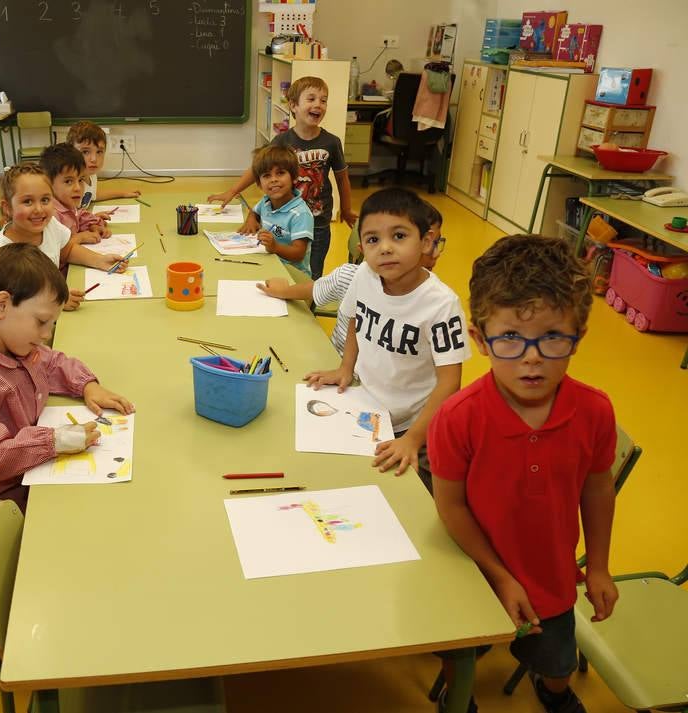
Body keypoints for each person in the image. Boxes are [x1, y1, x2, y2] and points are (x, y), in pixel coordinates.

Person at [428, 234, 618, 713]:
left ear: (578, 337)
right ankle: (458, 695)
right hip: (472, 571)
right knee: (461, 655)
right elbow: (450, 506)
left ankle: (553, 691)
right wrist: (499, 576)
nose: (532, 357)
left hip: (551, 578)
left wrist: (598, 565)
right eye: (510, 337)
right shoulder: (456, 418)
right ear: (480, 339)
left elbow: (598, 488)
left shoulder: (595, 412)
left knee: (556, 661)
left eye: (552, 337)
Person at [0, 243, 135, 558]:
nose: (46, 334)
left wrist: (87, 385)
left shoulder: (13, 343)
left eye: (51, 324)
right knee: (93, 542)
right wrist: (54, 442)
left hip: (27, 481)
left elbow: (52, 363)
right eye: (41, 322)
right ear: (2, 305)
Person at [304, 187, 467, 479]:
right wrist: (345, 368)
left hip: (415, 427)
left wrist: (413, 439)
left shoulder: (442, 304)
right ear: (361, 247)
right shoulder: (364, 275)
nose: (385, 248)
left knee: (411, 491)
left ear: (426, 241)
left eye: (399, 236)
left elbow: (450, 382)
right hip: (367, 409)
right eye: (373, 239)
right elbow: (355, 318)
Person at [208, 76, 356, 279]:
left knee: (310, 275)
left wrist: (346, 210)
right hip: (285, 221)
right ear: (293, 106)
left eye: (323, 100)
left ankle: (307, 299)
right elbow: (259, 167)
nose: (318, 105)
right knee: (281, 265)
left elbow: (342, 178)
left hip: (318, 222)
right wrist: (233, 191)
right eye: (311, 99)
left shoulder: (331, 142)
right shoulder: (282, 140)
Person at [257, 201, 446, 356]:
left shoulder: (435, 302)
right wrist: (283, 291)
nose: (435, 253)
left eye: (435, 242)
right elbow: (315, 289)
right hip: (338, 368)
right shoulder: (351, 276)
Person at [0, 164, 127, 311]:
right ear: (7, 208)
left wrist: (99, 260)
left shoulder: (50, 225)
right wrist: (54, 301)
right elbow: (4, 306)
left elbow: (67, 250)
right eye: (28, 201)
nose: (39, 209)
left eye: (45, 200)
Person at [250, 145, 314, 276]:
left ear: (294, 177)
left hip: (292, 275)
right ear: (259, 183)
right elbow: (254, 211)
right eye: (267, 175)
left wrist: (275, 247)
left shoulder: (300, 214)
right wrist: (250, 221)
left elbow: (299, 254)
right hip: (271, 265)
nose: (273, 179)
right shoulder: (266, 201)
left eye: (280, 173)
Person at [39, 143, 112, 245]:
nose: (78, 188)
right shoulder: (51, 216)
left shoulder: (68, 204)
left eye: (81, 180)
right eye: (69, 181)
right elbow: (55, 248)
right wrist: (79, 238)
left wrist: (93, 226)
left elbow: (79, 216)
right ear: (48, 184)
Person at [65, 120, 141, 205]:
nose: (94, 159)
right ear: (69, 152)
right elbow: (62, 211)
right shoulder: (68, 184)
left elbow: (93, 195)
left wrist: (123, 193)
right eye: (85, 152)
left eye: (99, 152)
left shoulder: (91, 176)